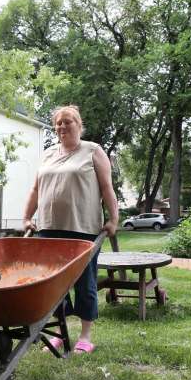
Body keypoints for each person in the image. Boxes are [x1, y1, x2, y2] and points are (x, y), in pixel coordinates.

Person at [22, 104, 118, 354]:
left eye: (68, 121)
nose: (63, 126)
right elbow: (35, 189)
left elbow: (107, 188)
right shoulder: (48, 154)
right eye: (59, 122)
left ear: (79, 123)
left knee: (84, 282)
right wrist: (26, 216)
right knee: (54, 285)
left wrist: (113, 219)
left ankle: (85, 336)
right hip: (48, 228)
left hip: (82, 228)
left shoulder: (93, 151)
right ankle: (60, 334)